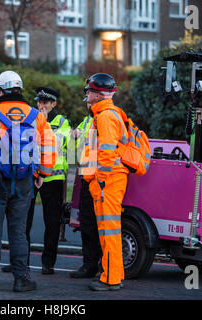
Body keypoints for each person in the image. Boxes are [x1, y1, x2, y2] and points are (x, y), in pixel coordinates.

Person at [0, 71, 57, 292]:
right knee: (18, 232)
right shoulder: (36, 116)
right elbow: (50, 147)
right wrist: (42, 175)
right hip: (24, 180)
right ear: (19, 90)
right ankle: (21, 279)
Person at [1, 86, 71, 275]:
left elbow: (57, 143)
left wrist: (44, 125)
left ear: (53, 104)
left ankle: (48, 263)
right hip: (32, 175)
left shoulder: (62, 122)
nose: (41, 105)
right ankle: (19, 261)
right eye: (39, 101)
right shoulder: (31, 118)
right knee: (23, 220)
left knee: (52, 223)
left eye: (45, 102)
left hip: (53, 178)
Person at [81, 73, 129, 291]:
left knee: (108, 230)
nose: (87, 94)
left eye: (89, 91)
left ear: (97, 93)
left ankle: (110, 279)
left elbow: (107, 152)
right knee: (110, 229)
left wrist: (100, 180)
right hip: (109, 180)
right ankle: (115, 273)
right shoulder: (105, 114)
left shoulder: (105, 116)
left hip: (107, 181)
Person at [69, 115, 102, 279]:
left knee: (100, 226)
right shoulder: (88, 120)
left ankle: (100, 266)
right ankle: (90, 265)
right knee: (87, 225)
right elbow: (74, 141)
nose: (88, 101)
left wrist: (79, 135)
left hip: (99, 179)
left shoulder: (104, 118)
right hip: (87, 178)